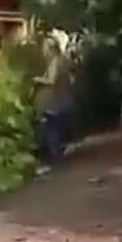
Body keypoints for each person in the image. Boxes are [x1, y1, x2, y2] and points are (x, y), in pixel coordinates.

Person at [35, 31, 74, 162]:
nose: (43, 51)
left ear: (51, 49)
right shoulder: (62, 60)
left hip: (55, 103)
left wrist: (37, 80)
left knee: (51, 129)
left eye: (45, 48)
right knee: (54, 129)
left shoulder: (55, 62)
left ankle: (54, 158)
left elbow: (51, 80)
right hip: (61, 100)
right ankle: (57, 154)